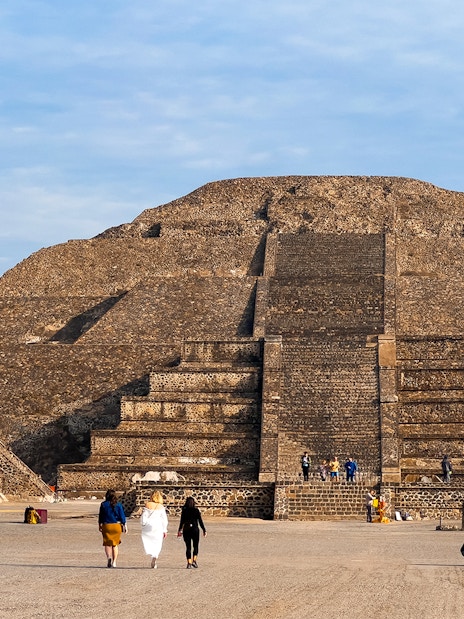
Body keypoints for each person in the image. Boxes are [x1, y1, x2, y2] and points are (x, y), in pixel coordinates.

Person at [98, 489, 127, 568]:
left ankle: (109, 558)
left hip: (107, 525)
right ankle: (114, 562)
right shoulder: (118, 504)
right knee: (115, 544)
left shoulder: (103, 504)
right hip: (116, 525)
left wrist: (99, 525)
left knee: (107, 544)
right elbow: (122, 516)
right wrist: (124, 525)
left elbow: (101, 516)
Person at [177, 496, 207, 569]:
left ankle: (189, 562)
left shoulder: (184, 511)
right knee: (195, 546)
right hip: (195, 530)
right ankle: (194, 560)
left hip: (186, 530)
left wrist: (179, 530)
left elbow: (182, 522)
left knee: (188, 547)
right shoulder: (196, 510)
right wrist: (204, 530)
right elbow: (200, 521)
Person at [141, 490, 168, 569]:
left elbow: (144, 516)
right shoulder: (161, 507)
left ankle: (150, 552)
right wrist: (165, 530)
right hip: (158, 526)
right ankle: (155, 556)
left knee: (148, 540)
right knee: (158, 543)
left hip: (148, 526)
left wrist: (143, 524)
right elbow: (164, 520)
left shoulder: (147, 505)